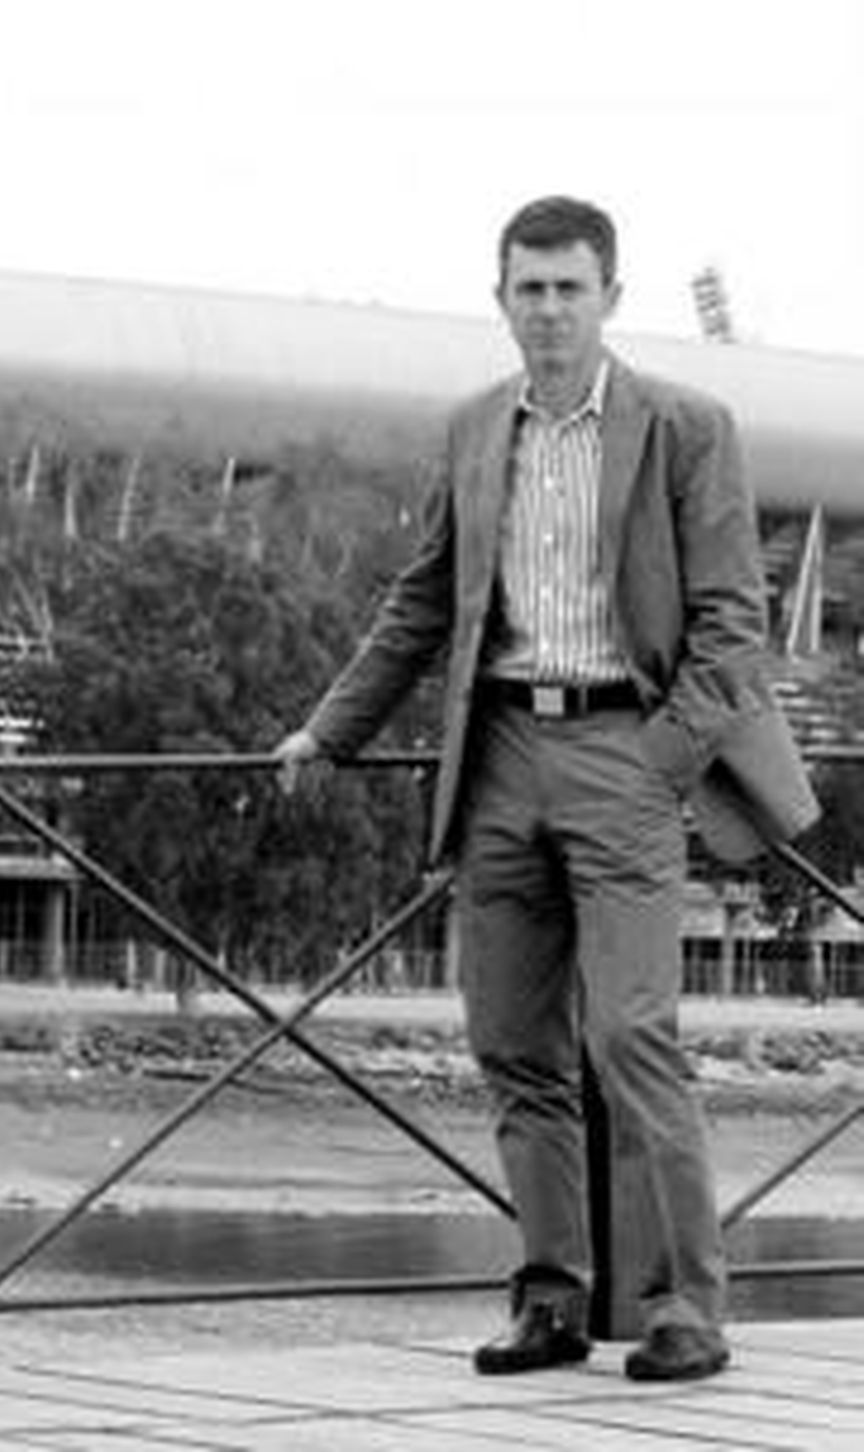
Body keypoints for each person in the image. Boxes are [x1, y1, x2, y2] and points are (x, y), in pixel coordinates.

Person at [274, 195, 817, 1383]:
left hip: (626, 748)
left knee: (630, 1035)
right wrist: (329, 729)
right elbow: (424, 600)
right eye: (531, 289)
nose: (551, 310)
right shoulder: (475, 428)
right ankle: (551, 1301)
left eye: (571, 288)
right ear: (501, 299)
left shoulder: (687, 427)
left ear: (610, 298)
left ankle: (687, 1310)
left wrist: (659, 759)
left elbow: (734, 627)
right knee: (514, 1046)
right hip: (499, 757)